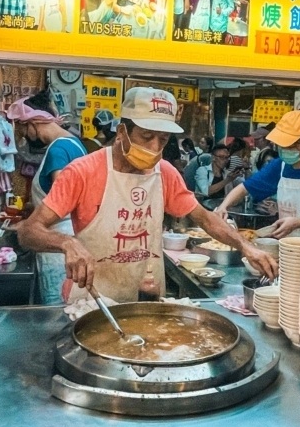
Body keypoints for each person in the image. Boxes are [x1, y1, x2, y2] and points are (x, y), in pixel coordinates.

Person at [18, 87, 277, 303]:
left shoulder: (164, 172)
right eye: (146, 136)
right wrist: (67, 243)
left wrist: (244, 246)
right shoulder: (82, 171)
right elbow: (28, 232)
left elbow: (205, 219)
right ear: (121, 132)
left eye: (163, 140)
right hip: (92, 301)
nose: (154, 148)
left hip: (147, 299)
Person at [215, 111, 300, 243]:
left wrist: (298, 223)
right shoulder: (280, 166)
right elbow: (245, 188)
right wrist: (223, 207)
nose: (284, 150)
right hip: (287, 248)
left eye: (290, 146)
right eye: (281, 145)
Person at [8, 98, 87, 306]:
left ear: (33, 122)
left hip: (57, 248)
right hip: (72, 242)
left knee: (57, 316)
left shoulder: (57, 151)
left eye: (23, 129)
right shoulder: (74, 143)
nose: (24, 135)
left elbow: (61, 203)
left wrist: (28, 226)